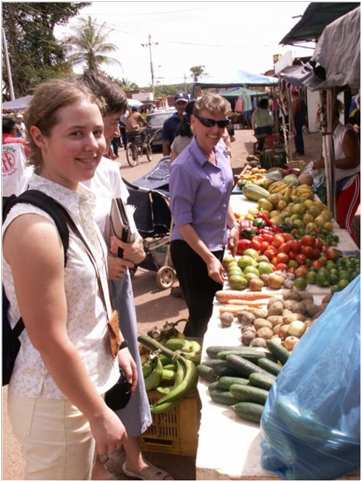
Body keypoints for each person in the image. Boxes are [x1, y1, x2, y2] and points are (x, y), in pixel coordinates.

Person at [3, 79, 137, 480]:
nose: (93, 144)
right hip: (56, 401)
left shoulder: (75, 202)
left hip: (80, 388)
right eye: (75, 133)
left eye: (97, 131)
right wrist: (98, 413)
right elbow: (48, 338)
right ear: (39, 137)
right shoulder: (35, 226)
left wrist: (119, 345)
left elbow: (93, 293)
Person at [79, 71, 172, 480]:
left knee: (125, 371)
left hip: (115, 290)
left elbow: (125, 224)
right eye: (106, 126)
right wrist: (103, 263)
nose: (106, 139)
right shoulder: (38, 188)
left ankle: (132, 459)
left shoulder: (109, 171)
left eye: (110, 128)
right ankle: (98, 464)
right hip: (80, 300)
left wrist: (132, 250)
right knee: (86, 382)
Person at [169, 93, 239, 338]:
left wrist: (233, 223)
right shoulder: (183, 167)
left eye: (222, 123)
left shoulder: (221, 151)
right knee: (200, 314)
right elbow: (182, 222)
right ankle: (188, 356)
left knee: (216, 307)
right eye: (209, 122)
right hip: (192, 250)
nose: (216, 129)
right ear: (193, 122)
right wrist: (209, 258)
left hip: (216, 243)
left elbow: (223, 195)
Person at [313, 94, 360, 239]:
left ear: (332, 115)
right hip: (334, 182)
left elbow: (354, 161)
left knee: (343, 222)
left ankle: (353, 257)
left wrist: (327, 163)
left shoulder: (346, 133)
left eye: (322, 115)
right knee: (332, 219)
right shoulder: (327, 134)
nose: (319, 119)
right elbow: (324, 157)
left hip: (351, 182)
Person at [291, 89, 307, 155]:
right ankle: (300, 150)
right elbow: (305, 111)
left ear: (294, 95)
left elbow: (294, 112)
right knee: (299, 135)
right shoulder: (302, 101)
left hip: (296, 121)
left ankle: (299, 151)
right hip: (301, 120)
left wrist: (292, 119)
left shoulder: (296, 101)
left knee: (297, 136)